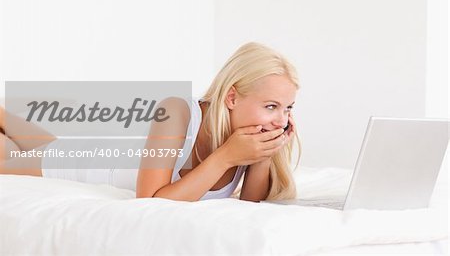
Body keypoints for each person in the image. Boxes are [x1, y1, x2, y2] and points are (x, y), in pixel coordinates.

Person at [0, 42, 301, 202]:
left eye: (288, 108)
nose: (280, 120)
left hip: (89, 148)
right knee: (11, 159)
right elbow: (151, 200)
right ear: (232, 98)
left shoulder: (242, 136)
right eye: (271, 106)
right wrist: (225, 158)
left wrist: (263, 155)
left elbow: (250, 205)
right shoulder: (177, 111)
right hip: (89, 162)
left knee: (48, 144)